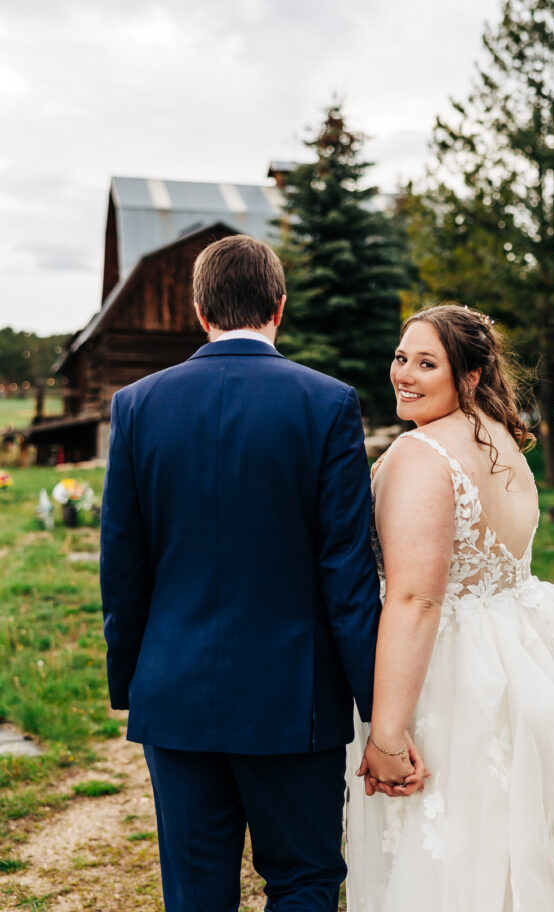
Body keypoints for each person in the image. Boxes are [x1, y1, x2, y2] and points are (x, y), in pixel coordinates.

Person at [346, 304, 554, 911]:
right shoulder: (499, 438)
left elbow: (417, 598)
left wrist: (387, 736)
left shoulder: (421, 453)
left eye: (427, 363)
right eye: (402, 357)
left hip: (451, 672)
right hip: (527, 648)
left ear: (469, 376)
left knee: (461, 851)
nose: (405, 374)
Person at [100, 234, 383, 912]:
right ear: (278, 307)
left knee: (195, 893)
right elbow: (346, 572)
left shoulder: (136, 405)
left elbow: (123, 566)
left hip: (173, 693)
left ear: (199, 311)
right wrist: (378, 711)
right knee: (303, 880)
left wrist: (133, 683)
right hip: (295, 699)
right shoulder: (329, 404)